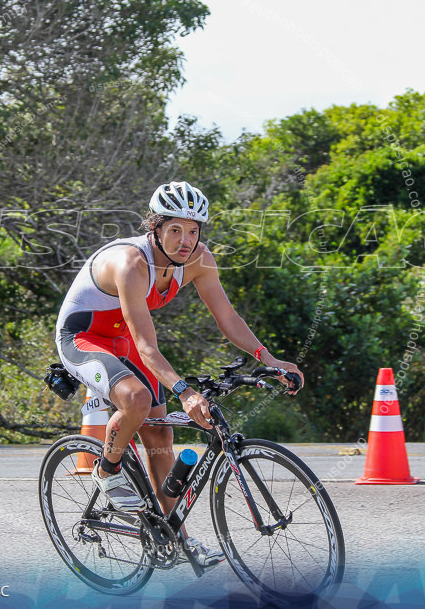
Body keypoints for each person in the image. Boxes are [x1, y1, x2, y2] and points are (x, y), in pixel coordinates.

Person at [55, 181, 305, 567]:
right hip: (83, 338)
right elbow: (147, 346)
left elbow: (228, 317)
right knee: (136, 400)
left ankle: (178, 540)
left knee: (160, 434)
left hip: (123, 340)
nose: (185, 240)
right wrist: (185, 392)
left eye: (193, 230)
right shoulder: (131, 264)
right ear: (154, 227)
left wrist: (269, 358)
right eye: (175, 229)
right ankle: (107, 469)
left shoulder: (199, 260)